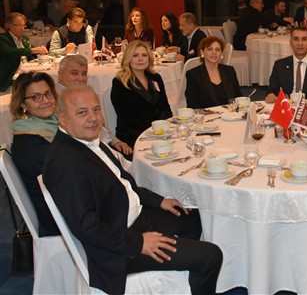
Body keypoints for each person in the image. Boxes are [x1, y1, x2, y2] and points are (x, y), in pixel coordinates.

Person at [43, 85, 223, 294]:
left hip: (131, 217)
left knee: (196, 217)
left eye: (96, 110)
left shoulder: (87, 141)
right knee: (210, 256)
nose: (93, 118)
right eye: (82, 113)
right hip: (118, 248)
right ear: (62, 118)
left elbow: (124, 184)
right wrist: (140, 243)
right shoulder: (64, 163)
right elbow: (87, 228)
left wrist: (159, 201)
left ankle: (181, 274)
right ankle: (190, 263)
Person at [10, 72, 60, 236]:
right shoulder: (29, 142)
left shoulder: (51, 124)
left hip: (67, 206)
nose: (46, 100)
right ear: (23, 104)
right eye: (36, 97)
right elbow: (62, 183)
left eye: (48, 93)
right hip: (61, 221)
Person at [56, 55, 132, 157]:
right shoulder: (54, 99)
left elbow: (102, 126)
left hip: (106, 144)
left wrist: (115, 141)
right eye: (74, 73)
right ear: (60, 74)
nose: (80, 78)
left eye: (84, 74)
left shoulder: (86, 93)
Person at [110, 40, 172, 148]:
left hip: (160, 132)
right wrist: (154, 128)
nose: (140, 59)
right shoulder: (120, 82)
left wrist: (162, 126)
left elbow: (166, 108)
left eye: (144, 55)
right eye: (135, 56)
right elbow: (126, 120)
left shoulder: (155, 78)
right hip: (134, 134)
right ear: (128, 58)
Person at [265, 26, 307, 103]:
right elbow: (271, 90)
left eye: (304, 39)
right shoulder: (279, 65)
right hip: (286, 106)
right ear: (290, 43)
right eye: (296, 39)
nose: (300, 43)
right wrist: (270, 95)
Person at [185, 36, 242, 108]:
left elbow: (238, 96)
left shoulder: (229, 71)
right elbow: (192, 103)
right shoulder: (193, 74)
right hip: (206, 114)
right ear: (202, 52)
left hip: (230, 112)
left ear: (221, 54)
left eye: (217, 50)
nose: (214, 52)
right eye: (209, 49)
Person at [0, 12, 48, 91]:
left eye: (23, 25)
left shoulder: (24, 38)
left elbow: (31, 51)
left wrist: (39, 50)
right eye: (19, 25)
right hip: (12, 76)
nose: (22, 28)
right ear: (9, 25)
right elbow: (9, 52)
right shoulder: (3, 39)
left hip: (27, 72)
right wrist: (31, 50)